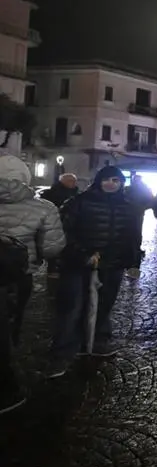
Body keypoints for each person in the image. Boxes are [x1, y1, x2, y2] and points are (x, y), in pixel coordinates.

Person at [47, 166, 142, 378]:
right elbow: (65, 233)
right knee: (72, 307)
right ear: (99, 181)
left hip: (113, 263)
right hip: (78, 264)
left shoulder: (128, 206)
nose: (112, 184)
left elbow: (133, 236)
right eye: (108, 179)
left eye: (116, 180)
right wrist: (83, 255)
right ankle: (62, 353)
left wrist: (133, 260)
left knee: (105, 305)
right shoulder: (79, 202)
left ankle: (99, 340)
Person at [0, 156, 66, 413]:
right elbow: (52, 249)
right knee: (9, 325)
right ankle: (7, 384)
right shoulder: (43, 208)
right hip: (17, 276)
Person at [38, 172, 79, 278]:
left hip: (69, 227)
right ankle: (53, 274)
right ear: (63, 181)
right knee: (55, 250)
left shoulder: (76, 194)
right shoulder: (52, 193)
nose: (74, 183)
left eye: (74, 181)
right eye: (71, 180)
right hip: (55, 225)